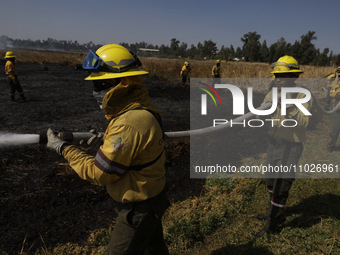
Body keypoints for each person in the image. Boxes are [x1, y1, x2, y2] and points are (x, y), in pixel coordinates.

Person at [46, 44, 170, 255]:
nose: (96, 92)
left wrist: (64, 148)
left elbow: (99, 173)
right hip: (152, 198)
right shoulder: (139, 109)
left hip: (138, 209)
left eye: (100, 84)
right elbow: (135, 146)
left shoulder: (128, 121)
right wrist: (107, 142)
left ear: (120, 82)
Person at [256, 55, 313, 236]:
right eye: (275, 75)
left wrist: (288, 105)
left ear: (294, 77)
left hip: (292, 146)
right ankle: (274, 210)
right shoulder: (272, 94)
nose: (277, 79)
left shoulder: (303, 96)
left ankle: (272, 225)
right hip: (274, 144)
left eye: (282, 76)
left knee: (282, 186)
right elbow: (259, 114)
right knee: (270, 182)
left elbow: (303, 123)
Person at [326, 75, 340, 152]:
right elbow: (332, 94)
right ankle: (331, 145)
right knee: (335, 129)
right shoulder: (335, 84)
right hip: (338, 110)